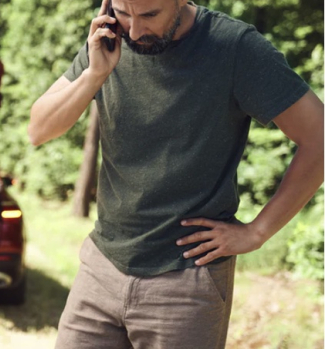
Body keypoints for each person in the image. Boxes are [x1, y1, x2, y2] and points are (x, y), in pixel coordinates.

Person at [28, 1, 324, 348]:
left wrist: (257, 232)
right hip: (101, 267)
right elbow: (39, 130)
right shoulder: (107, 41)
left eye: (150, 15)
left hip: (187, 282)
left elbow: (318, 137)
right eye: (124, 12)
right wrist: (95, 74)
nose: (135, 31)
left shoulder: (235, 47)